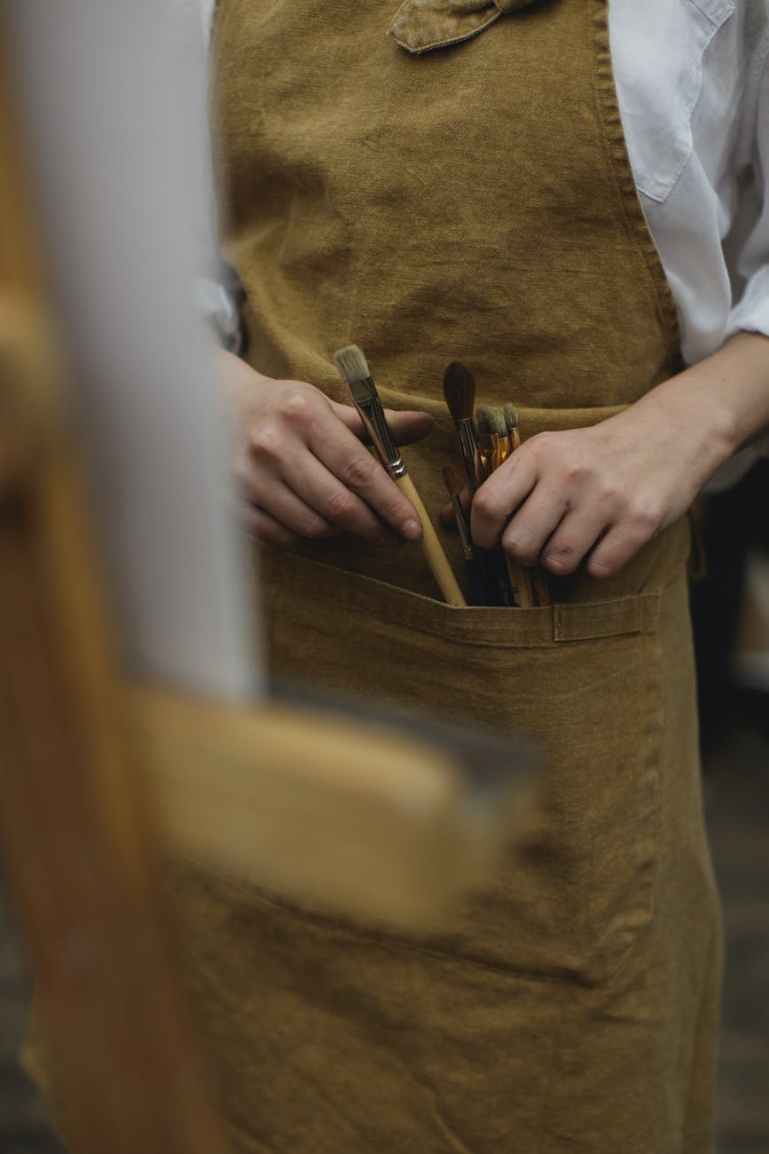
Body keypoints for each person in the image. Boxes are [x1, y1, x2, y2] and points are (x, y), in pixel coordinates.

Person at [174, 2, 769, 1151]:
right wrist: (209, 393)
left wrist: (685, 427)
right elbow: (103, 224)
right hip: (271, 643)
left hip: (568, 660)